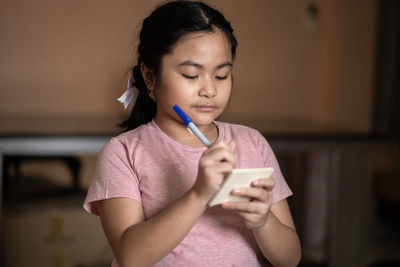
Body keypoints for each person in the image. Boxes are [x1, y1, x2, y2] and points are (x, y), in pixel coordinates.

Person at [84, 1, 301, 266]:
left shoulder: (252, 144)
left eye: (221, 76)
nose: (209, 90)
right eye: (191, 75)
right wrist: (198, 194)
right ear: (150, 77)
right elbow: (130, 257)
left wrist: (263, 220)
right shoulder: (123, 152)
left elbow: (290, 259)